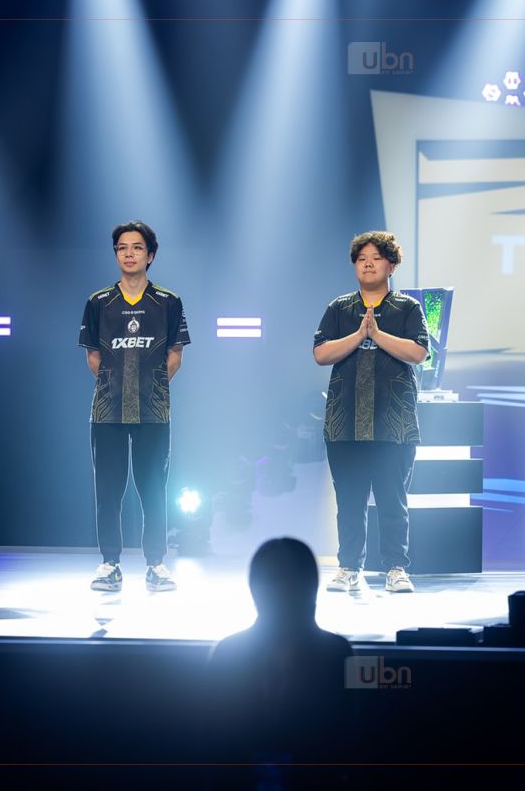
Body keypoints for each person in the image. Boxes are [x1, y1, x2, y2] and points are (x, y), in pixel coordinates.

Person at [313, 232, 429, 594]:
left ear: (391, 265)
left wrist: (377, 335)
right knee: (349, 502)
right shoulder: (339, 307)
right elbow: (320, 353)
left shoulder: (408, 308)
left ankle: (396, 568)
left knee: (392, 500)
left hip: (393, 423)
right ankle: (349, 567)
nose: (367, 264)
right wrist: (359, 335)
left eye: (376, 258)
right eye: (361, 258)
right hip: (345, 422)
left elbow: (418, 352)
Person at [79, 220, 190, 592]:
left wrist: (149, 388)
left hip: (153, 411)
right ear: (116, 255)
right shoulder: (98, 302)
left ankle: (156, 563)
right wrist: (117, 387)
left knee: (153, 488)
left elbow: (175, 356)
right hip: (107, 411)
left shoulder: (168, 301)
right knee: (108, 490)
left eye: (137, 247)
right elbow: (93, 357)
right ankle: (109, 562)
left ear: (150, 255)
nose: (129, 254)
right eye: (122, 248)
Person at [206, 538, 354, 767]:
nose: (282, 589)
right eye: (276, 580)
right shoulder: (340, 654)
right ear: (312, 586)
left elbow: (215, 744)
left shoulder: (227, 653)